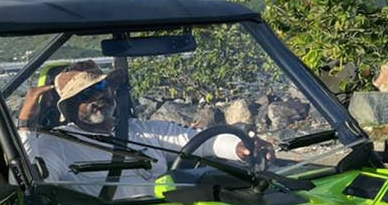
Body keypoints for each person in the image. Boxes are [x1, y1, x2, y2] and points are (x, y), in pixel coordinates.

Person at [17, 60, 274, 197]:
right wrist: (27, 125)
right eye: (85, 95)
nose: (99, 98)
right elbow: (32, 182)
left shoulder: (145, 130)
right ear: (70, 108)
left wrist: (240, 147)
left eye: (102, 88)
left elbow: (201, 141)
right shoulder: (58, 143)